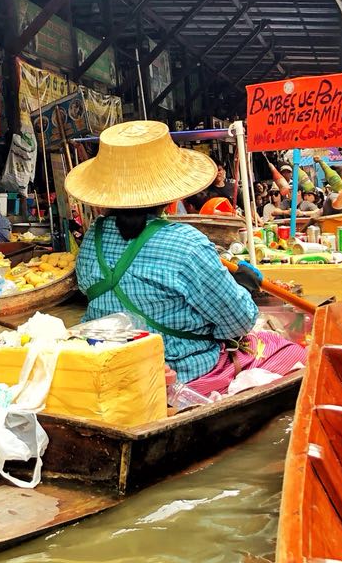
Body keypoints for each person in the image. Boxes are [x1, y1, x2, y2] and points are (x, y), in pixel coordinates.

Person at [66, 120, 305, 391]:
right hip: (179, 371)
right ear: (170, 199)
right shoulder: (186, 243)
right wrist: (241, 290)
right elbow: (239, 322)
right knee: (288, 350)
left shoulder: (92, 237)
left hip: (108, 363)